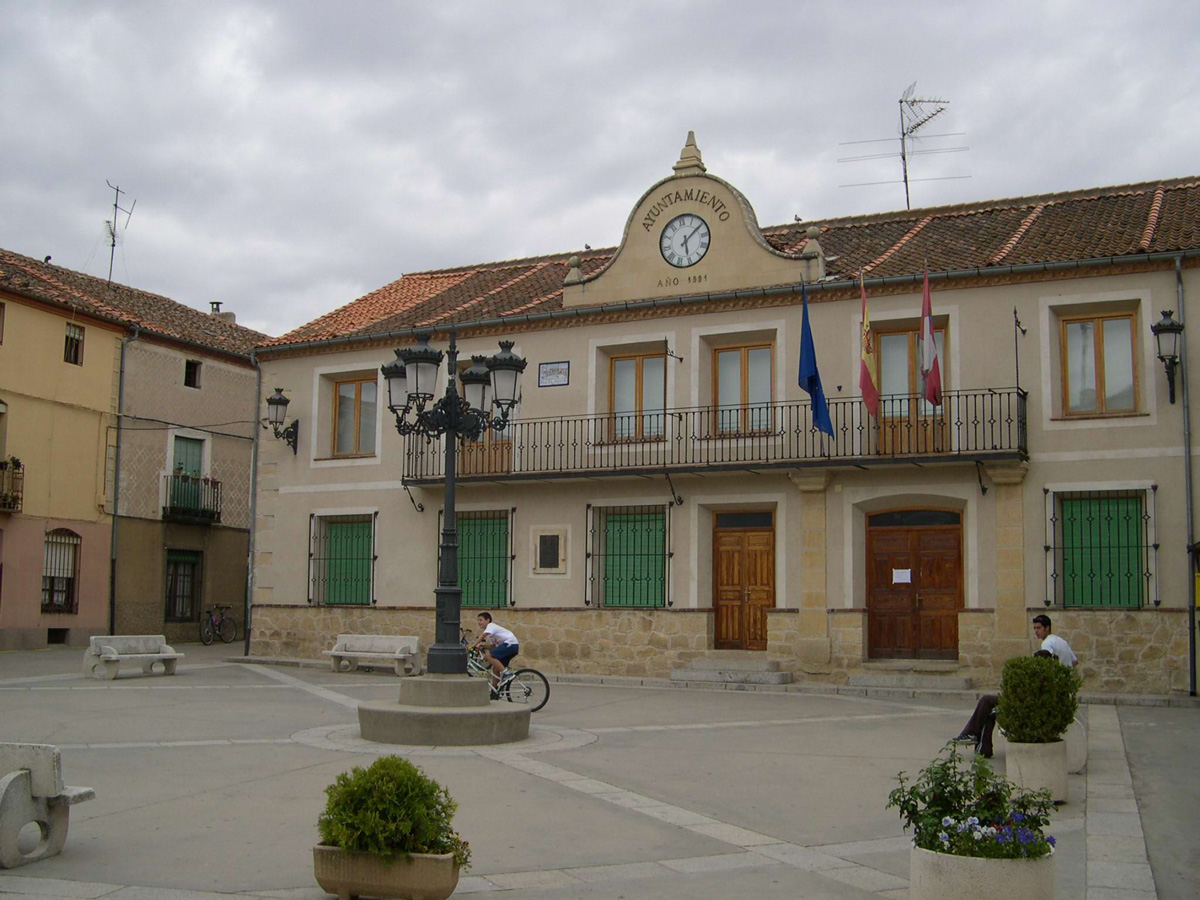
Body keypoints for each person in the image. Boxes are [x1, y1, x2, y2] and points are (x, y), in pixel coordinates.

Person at [952, 614, 1077, 758]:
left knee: (986, 702)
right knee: (989, 708)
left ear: (1047, 628)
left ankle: (973, 734)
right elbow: (1074, 662)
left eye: (1039, 628)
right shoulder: (1061, 641)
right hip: (1060, 695)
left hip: (1039, 702)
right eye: (1034, 628)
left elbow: (1045, 659)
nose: (1036, 631)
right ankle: (980, 745)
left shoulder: (1047, 644)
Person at [471, 612, 519, 683]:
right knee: (495, 669)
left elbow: (483, 635)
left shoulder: (491, 625)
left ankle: (506, 673)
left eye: (480, 620)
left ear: (487, 620)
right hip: (511, 647)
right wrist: (482, 646)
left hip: (510, 644)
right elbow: (493, 646)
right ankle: (495, 691)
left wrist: (473, 645)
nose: (479, 622)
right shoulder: (491, 634)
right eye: (478, 620)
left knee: (488, 655)